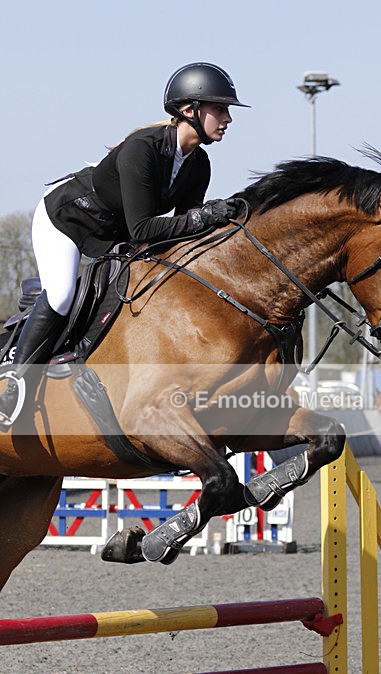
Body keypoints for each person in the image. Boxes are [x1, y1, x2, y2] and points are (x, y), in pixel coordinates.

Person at [0, 62, 249, 431]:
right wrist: (204, 217)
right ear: (189, 111)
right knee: (63, 294)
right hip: (66, 220)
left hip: (115, 234)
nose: (227, 118)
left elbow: (180, 234)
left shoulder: (199, 165)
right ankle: (16, 383)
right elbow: (145, 229)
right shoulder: (142, 150)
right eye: (220, 109)